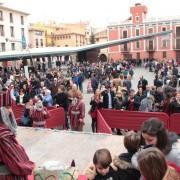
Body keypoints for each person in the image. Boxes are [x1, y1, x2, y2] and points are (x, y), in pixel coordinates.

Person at [0, 104, 34, 179]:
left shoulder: (6, 134)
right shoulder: (4, 135)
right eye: (8, 108)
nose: (10, 110)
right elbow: (16, 159)